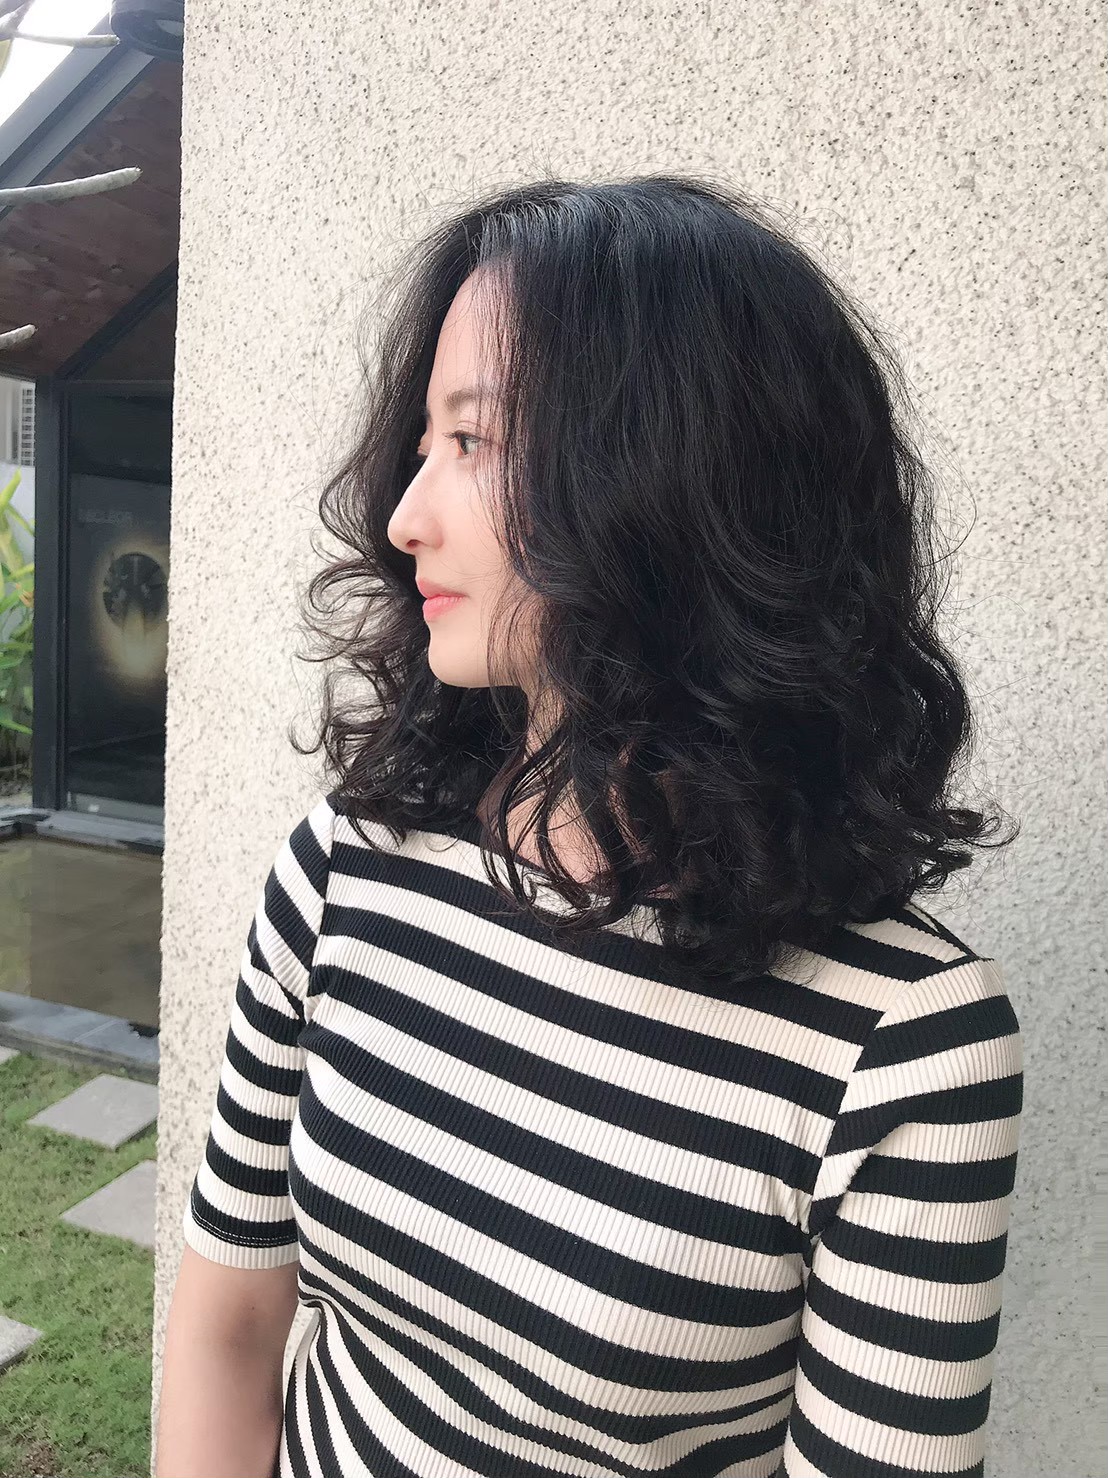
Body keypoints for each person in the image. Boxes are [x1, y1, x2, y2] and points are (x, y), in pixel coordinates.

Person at [156, 174, 1023, 1478]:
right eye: (423, 442)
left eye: (473, 440)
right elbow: (228, 1326)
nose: (404, 517)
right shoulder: (346, 871)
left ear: (673, 483)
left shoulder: (904, 1047)